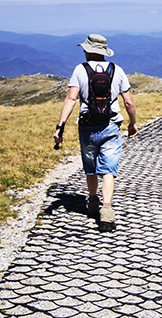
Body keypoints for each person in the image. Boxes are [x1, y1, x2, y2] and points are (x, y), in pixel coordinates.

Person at [54, 34, 137, 232]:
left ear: (90, 50)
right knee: (108, 170)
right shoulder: (117, 70)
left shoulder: (80, 70)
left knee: (90, 167)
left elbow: (71, 99)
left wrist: (60, 126)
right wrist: (132, 123)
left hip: (87, 127)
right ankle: (106, 211)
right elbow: (129, 102)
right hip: (110, 126)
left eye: (85, 48)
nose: (83, 51)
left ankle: (92, 202)